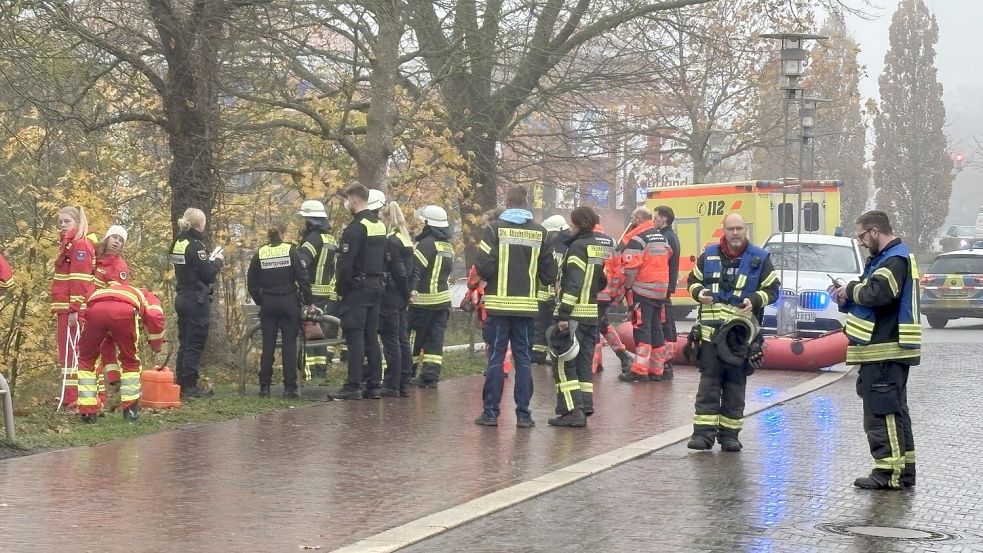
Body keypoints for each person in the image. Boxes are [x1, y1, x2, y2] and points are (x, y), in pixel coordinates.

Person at [831, 210, 920, 490]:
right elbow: (869, 297)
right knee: (895, 411)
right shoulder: (887, 259)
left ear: (873, 231)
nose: (860, 242)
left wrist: (852, 287)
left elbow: (877, 295)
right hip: (885, 350)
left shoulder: (894, 260)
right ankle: (903, 470)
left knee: (883, 413)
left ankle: (889, 472)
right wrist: (845, 296)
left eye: (861, 235)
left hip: (885, 349)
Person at [685, 213, 780, 452]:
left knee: (735, 388)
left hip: (739, 339)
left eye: (739, 228)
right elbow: (692, 281)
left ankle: (730, 436)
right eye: (731, 229)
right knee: (708, 386)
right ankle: (703, 435)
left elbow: (773, 290)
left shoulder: (760, 258)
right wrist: (698, 294)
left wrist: (756, 299)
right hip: (709, 336)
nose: (735, 233)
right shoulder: (709, 256)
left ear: (745, 229)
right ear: (724, 230)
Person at [473, 186, 557, 428]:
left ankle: (490, 413)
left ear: (507, 202)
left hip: (498, 305)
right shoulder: (540, 232)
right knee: (523, 360)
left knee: (496, 359)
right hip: (527, 307)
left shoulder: (493, 229)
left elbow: (483, 265)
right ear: (527, 203)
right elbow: (550, 273)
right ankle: (523, 414)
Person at [548, 206, 615, 427]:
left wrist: (564, 314)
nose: (570, 227)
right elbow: (602, 280)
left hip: (574, 315)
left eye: (572, 223)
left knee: (564, 363)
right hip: (590, 315)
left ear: (579, 224)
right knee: (584, 364)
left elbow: (573, 284)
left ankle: (571, 411)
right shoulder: (597, 246)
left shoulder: (577, 248)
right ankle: (585, 406)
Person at [326, 183, 387, 400]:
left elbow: (345, 265)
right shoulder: (379, 225)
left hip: (357, 289)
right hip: (376, 287)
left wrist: (341, 290)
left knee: (355, 336)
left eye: (348, 199)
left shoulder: (354, 228)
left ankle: (353, 385)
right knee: (371, 336)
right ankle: (374, 385)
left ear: (354, 198)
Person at [75, 284, 166, 423]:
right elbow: (155, 316)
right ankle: (130, 411)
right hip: (124, 312)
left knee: (86, 360)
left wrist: (114, 377)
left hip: (94, 311)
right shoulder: (148, 296)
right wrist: (156, 344)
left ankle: (87, 413)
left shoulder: (105, 290)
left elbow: (107, 345)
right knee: (130, 361)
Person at [247, 223, 314, 399]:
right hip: (288, 302)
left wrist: (261, 299)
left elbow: (251, 282)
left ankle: (264, 388)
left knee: (268, 346)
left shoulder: (260, 253)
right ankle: (290, 388)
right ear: (282, 234)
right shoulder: (291, 251)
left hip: (268, 304)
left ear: (268, 236)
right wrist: (309, 302)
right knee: (289, 345)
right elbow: (303, 278)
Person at [169, 207, 223, 399]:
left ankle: (181, 382)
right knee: (195, 342)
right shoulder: (196, 245)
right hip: (195, 299)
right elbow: (207, 275)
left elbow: (188, 267)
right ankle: (190, 386)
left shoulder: (178, 242)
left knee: (185, 341)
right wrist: (217, 261)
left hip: (182, 295)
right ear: (200, 224)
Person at [618, 208, 672, 383]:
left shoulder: (638, 239)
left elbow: (631, 269)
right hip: (660, 290)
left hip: (642, 289)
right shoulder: (661, 237)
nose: (632, 221)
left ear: (639, 219)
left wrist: (627, 288)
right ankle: (657, 369)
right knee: (656, 327)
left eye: (633, 218)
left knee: (642, 328)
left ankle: (640, 370)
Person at [51, 206, 96, 409]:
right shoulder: (69, 245)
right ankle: (72, 398)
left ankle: (75, 399)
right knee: (67, 354)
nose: (62, 225)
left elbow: (80, 280)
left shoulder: (80, 246)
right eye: (60, 222)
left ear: (78, 222)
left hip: (72, 308)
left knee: (73, 353)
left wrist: (74, 309)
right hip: (63, 307)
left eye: (66, 221)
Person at [408, 204, 454, 388]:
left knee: (413, 339)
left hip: (422, 302)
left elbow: (415, 270)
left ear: (428, 223)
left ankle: (408, 372)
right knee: (435, 340)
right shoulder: (447, 245)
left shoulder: (426, 244)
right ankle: (430, 377)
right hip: (442, 301)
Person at [297, 200, 339, 381]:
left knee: (307, 330)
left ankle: (308, 373)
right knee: (319, 331)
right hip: (327, 292)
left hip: (311, 291)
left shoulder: (313, 238)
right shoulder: (330, 238)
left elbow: (302, 262)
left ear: (310, 219)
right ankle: (321, 372)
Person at [93, 225, 131, 403]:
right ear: (107, 238)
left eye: (121, 240)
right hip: (87, 311)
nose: (117, 242)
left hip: (104, 315)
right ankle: (104, 393)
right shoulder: (94, 257)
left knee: (104, 350)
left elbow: (120, 293)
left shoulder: (119, 266)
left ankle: (115, 383)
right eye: (115, 237)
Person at [379, 201, 414, 397]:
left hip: (392, 296)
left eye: (382, 220)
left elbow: (399, 272)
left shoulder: (391, 240)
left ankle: (392, 383)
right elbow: (413, 270)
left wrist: (405, 292)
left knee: (391, 340)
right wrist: (409, 293)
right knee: (402, 340)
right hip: (402, 297)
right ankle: (404, 382)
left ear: (387, 219)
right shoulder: (406, 239)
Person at [532, 215, 571, 365]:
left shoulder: (558, 246)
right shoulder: (568, 245)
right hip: (552, 294)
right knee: (545, 326)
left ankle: (545, 355)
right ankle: (542, 355)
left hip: (554, 294)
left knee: (546, 326)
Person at [654, 205, 680, 378]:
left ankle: (666, 366)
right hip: (665, 288)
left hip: (663, 289)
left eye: (655, 217)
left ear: (663, 219)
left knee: (665, 326)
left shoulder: (665, 238)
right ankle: (665, 365)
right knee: (667, 325)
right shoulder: (669, 236)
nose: (653, 220)